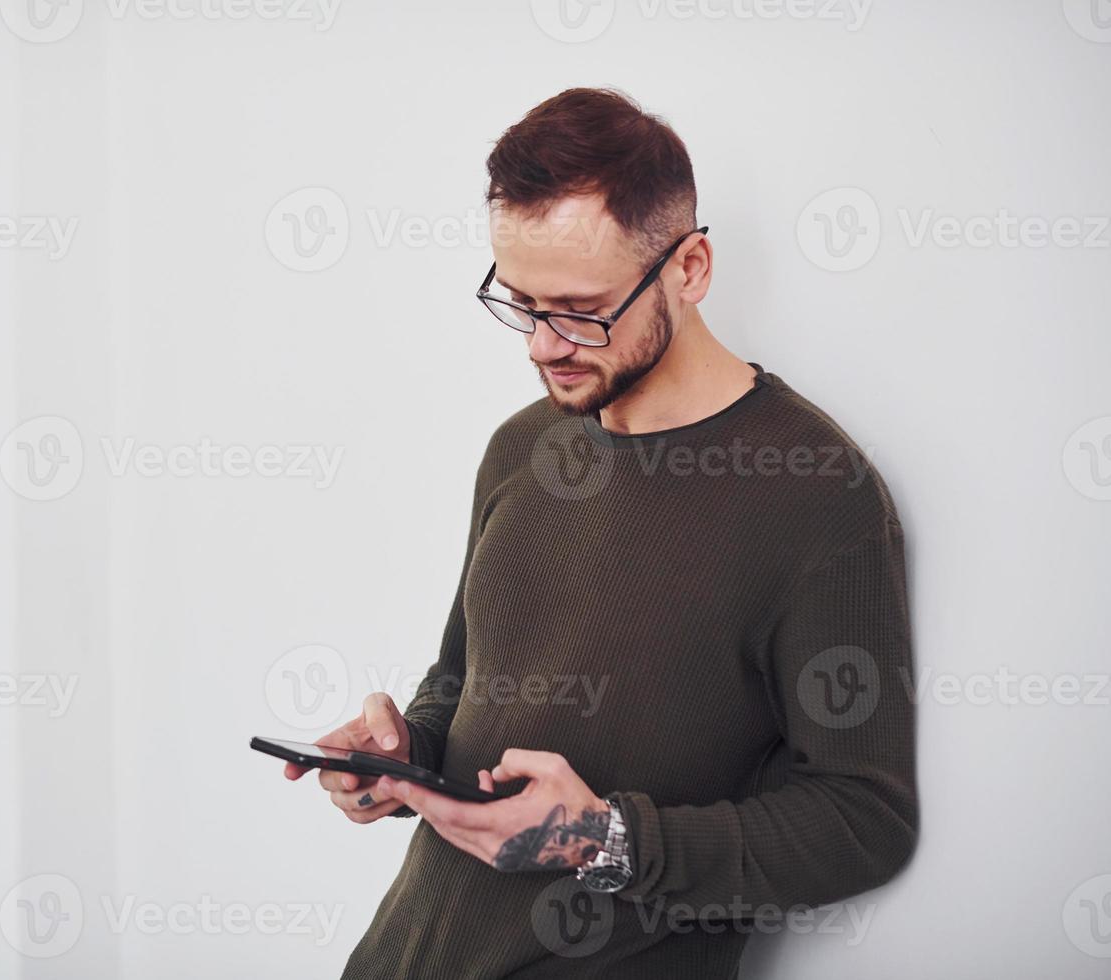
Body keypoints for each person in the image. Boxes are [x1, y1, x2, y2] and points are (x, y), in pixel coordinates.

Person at [284, 87, 919, 978]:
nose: (544, 346)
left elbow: (864, 820)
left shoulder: (818, 492)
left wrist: (602, 840)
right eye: (521, 304)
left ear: (690, 268)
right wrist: (404, 757)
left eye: (581, 309)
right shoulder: (523, 445)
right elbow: (465, 682)